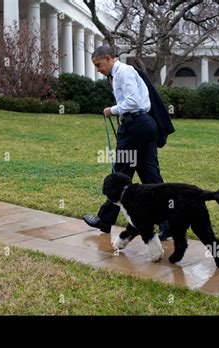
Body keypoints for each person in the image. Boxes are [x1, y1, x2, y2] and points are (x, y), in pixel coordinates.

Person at [83, 45, 174, 240]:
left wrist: (112, 110)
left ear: (108, 58)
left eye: (99, 65)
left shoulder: (123, 72)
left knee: (120, 175)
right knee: (151, 178)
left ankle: (104, 220)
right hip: (144, 127)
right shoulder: (122, 73)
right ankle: (169, 224)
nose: (98, 70)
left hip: (135, 126)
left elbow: (132, 101)